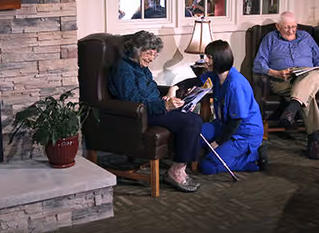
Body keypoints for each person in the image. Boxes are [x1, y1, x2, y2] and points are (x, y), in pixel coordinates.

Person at [108, 31, 202, 192]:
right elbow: (132, 101)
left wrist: (167, 98)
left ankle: (180, 168)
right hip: (139, 115)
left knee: (194, 117)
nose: (152, 58)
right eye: (149, 53)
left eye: (155, 54)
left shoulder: (142, 68)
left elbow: (151, 92)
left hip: (154, 108)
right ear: (137, 49)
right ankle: (176, 171)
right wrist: (164, 106)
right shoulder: (123, 70)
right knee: (190, 121)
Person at [252, 11, 319, 160]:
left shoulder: (306, 37)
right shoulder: (270, 39)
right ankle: (313, 140)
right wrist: (275, 73)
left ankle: (291, 109)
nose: (291, 30)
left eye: (294, 26)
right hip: (283, 81)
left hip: (310, 76)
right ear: (278, 26)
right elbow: (258, 64)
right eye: (287, 27)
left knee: (311, 75)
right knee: (306, 95)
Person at [198, 40, 266, 174]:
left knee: (207, 166)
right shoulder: (217, 75)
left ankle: (253, 157)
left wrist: (217, 142)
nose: (205, 60)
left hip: (243, 133)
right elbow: (197, 80)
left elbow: (236, 121)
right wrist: (175, 87)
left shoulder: (235, 85)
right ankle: (223, 152)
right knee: (194, 132)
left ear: (219, 59)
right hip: (222, 124)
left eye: (209, 57)